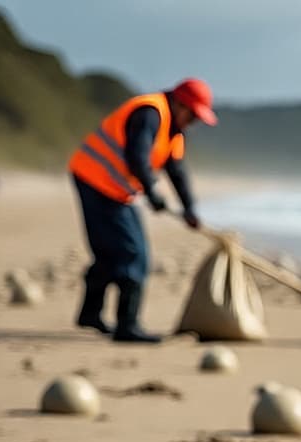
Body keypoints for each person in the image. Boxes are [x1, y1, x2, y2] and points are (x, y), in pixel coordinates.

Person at [67, 79, 216, 343]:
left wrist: (190, 208)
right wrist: (152, 192)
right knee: (133, 253)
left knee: (111, 252)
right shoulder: (150, 113)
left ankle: (90, 315)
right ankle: (128, 326)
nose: (193, 122)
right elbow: (137, 156)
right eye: (193, 115)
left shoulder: (175, 132)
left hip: (115, 190)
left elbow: (176, 171)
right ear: (180, 104)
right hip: (95, 181)